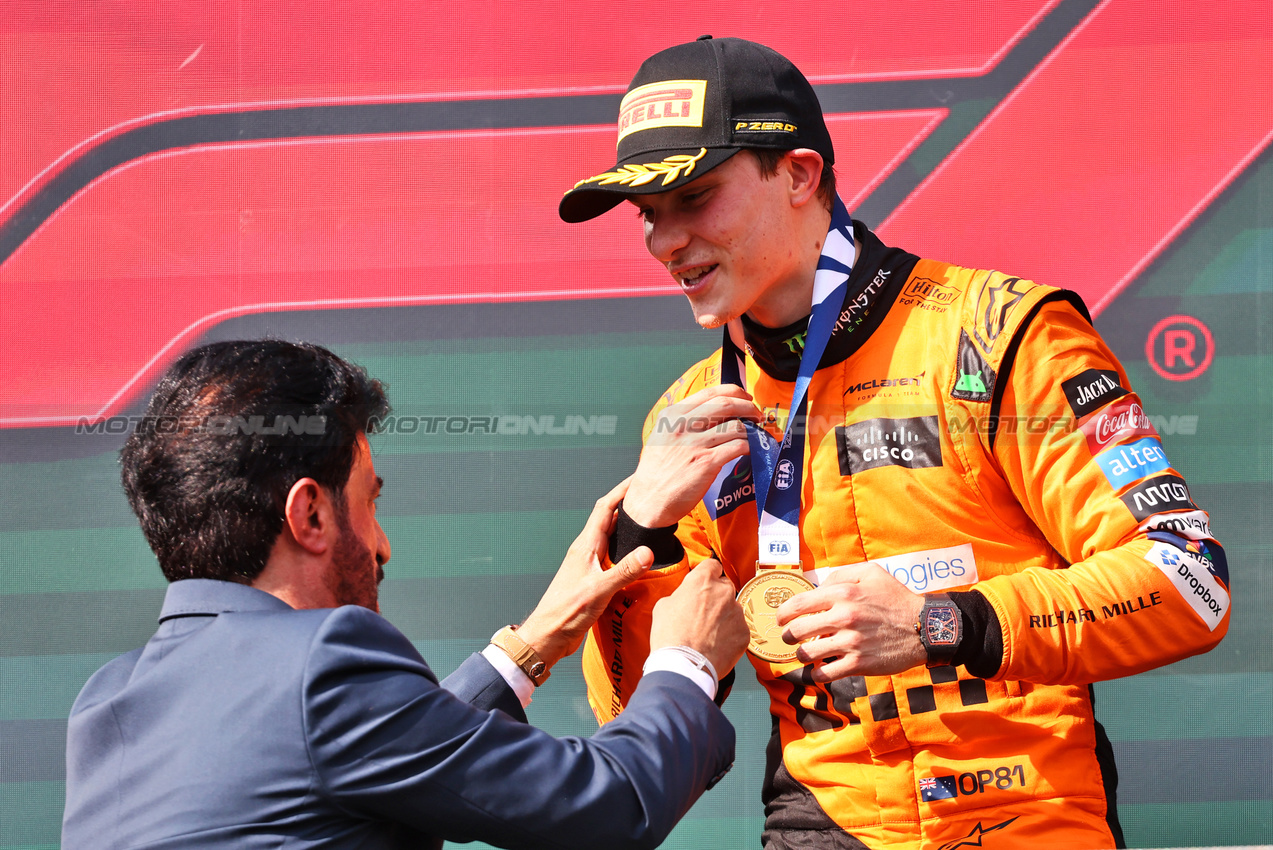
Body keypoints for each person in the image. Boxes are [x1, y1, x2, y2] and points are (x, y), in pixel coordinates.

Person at [558, 36, 1231, 850]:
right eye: (648, 214)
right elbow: (636, 718)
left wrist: (938, 624)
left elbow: (1189, 583)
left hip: (1030, 825)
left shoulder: (1000, 333)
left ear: (799, 175)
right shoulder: (693, 413)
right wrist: (640, 536)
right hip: (821, 829)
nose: (663, 242)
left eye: (694, 197)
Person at [61, 339, 750, 850]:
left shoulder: (106, 706)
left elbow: (367, 752)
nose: (383, 543)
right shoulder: (323, 663)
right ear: (309, 516)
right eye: (369, 502)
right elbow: (610, 805)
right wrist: (684, 661)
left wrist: (533, 643)